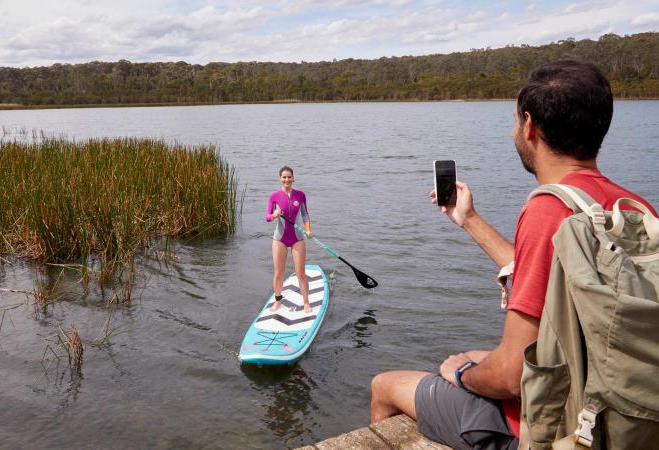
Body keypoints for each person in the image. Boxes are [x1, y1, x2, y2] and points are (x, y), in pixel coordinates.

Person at [369, 60, 657, 449]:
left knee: (385, 386)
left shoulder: (547, 208)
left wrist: (463, 373)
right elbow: (548, 275)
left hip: (550, 429)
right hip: (611, 407)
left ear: (529, 125)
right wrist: (468, 219)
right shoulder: (633, 208)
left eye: (513, 122)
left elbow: (509, 375)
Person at [266, 166, 314, 314]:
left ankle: (306, 302)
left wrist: (308, 230)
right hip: (279, 239)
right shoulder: (274, 196)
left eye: (289, 177)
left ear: (293, 178)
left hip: (297, 238)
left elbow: (305, 215)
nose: (286, 180)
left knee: (300, 273)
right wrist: (274, 215)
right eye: (284, 177)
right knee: (278, 273)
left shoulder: (300, 195)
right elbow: (267, 217)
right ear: (280, 178)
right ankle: (278, 301)